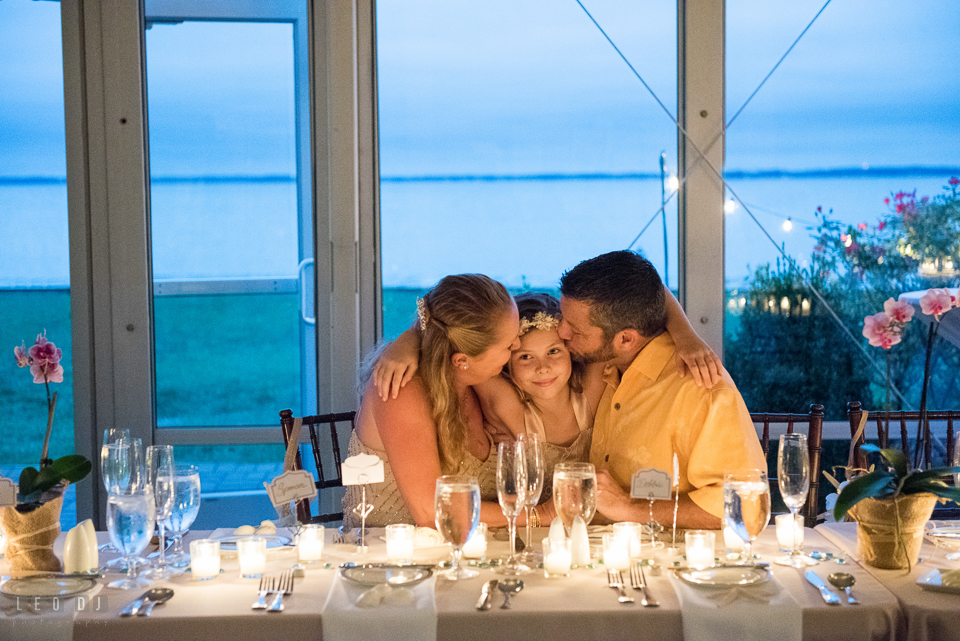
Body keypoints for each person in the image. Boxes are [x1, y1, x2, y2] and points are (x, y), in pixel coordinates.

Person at [548, 250, 766, 530]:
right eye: (563, 318)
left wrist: (629, 507)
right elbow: (649, 288)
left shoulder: (701, 389)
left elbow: (747, 509)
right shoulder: (601, 366)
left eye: (576, 330)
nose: (562, 333)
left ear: (626, 339)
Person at [342, 274, 520, 528]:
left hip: (470, 556)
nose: (518, 345)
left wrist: (411, 336)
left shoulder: (480, 382)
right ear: (461, 360)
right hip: (390, 560)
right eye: (509, 346)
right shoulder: (401, 390)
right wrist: (539, 516)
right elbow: (432, 511)